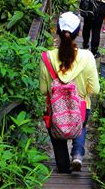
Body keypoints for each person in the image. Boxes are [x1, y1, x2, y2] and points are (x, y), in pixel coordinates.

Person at [39, 11, 100, 173]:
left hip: (56, 110)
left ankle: (63, 166)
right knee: (81, 123)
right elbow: (94, 89)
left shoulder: (46, 58)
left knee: (54, 124)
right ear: (78, 32)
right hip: (80, 108)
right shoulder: (88, 57)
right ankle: (78, 153)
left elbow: (43, 90)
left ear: (57, 31)